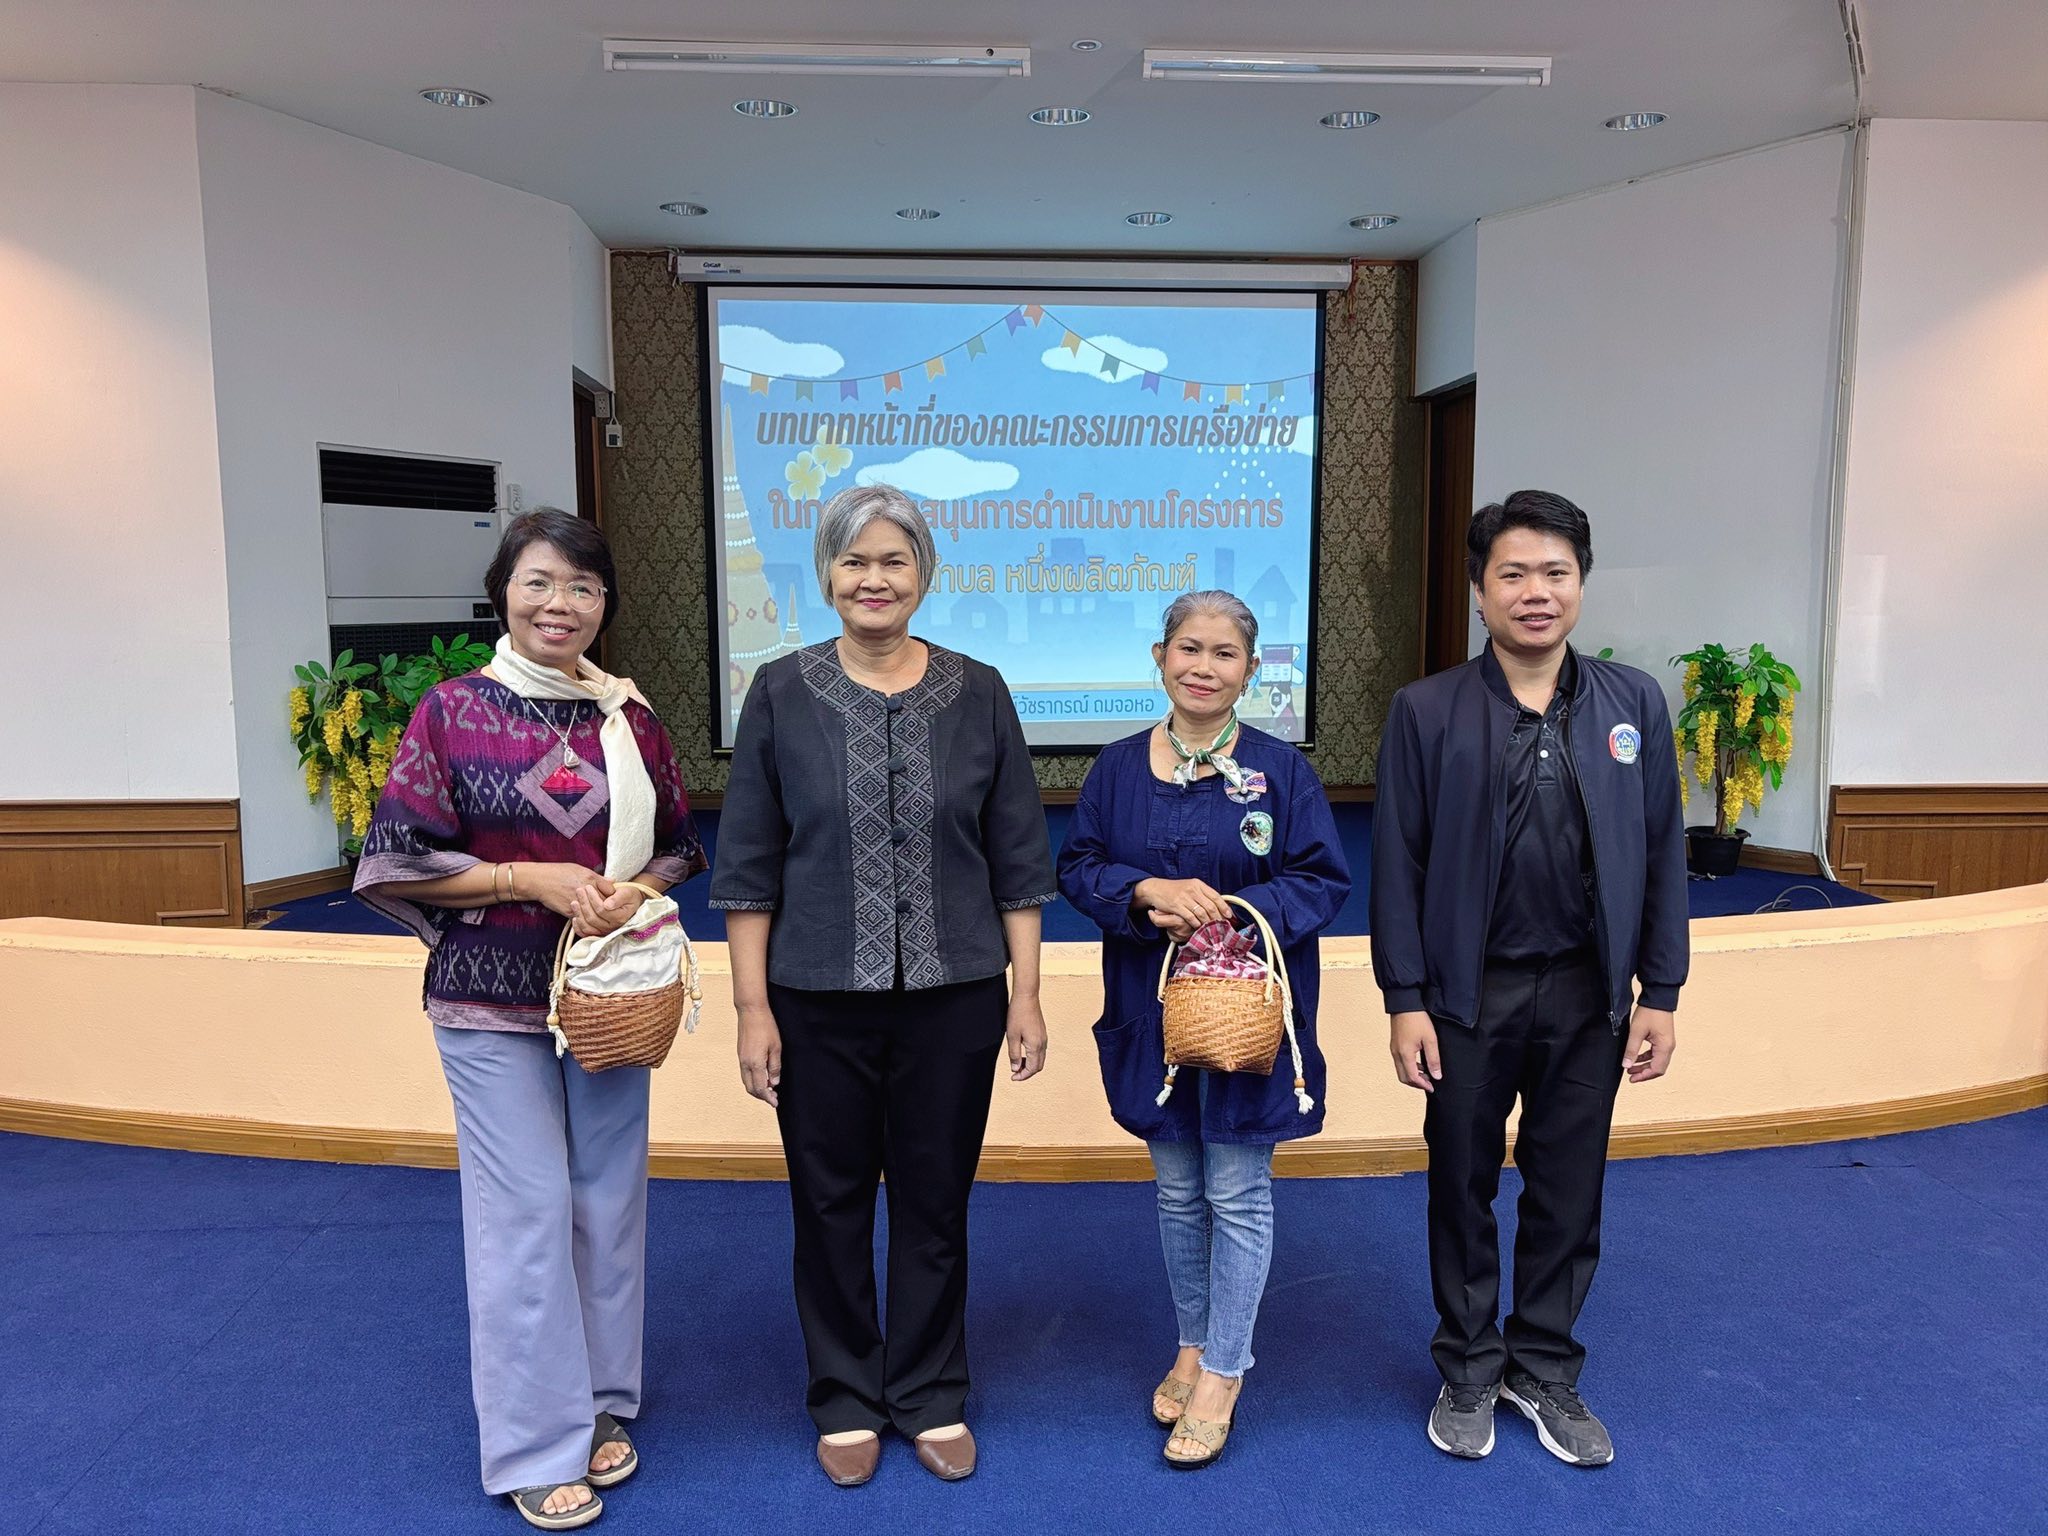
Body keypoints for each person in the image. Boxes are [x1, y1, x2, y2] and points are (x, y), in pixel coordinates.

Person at [355, 509, 707, 1530]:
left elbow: (683, 845)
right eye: (541, 583)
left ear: (605, 604)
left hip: (608, 996)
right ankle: (531, 1443)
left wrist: (627, 888)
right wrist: (531, 879)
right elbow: (397, 855)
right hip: (488, 1000)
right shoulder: (453, 712)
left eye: (584, 588)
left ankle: (600, 1404)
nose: (562, 605)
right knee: (523, 1218)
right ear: (503, 590)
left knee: (607, 1204)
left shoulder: (628, 715)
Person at [708, 482, 1055, 1488]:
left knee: (937, 1200)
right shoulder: (778, 689)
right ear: (824, 575)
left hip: (956, 993)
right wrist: (749, 1009)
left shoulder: (979, 690)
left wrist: (1024, 997)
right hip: (813, 994)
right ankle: (846, 1396)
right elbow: (746, 867)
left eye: (893, 561)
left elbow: (1019, 861)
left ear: (924, 575)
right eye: (853, 561)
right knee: (829, 1204)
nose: (873, 579)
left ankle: (930, 1391)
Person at [1370, 489, 1686, 1469]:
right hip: (1466, 998)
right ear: (1478, 593)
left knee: (1566, 1187)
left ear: (1579, 586)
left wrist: (1660, 991)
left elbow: (1665, 847)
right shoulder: (1425, 712)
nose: (1533, 592)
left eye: (1553, 572)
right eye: (1511, 573)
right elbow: (1397, 863)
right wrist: (1404, 999)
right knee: (1458, 1183)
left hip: (1587, 998)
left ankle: (1542, 1365)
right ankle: (1467, 1364)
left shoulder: (1631, 705)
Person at [1057, 591, 1349, 1469]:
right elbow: (1080, 866)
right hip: (1154, 1014)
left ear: (1251, 671)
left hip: (1249, 1019)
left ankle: (1224, 1369)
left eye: (1226, 654)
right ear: (1158, 656)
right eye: (1189, 648)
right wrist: (1146, 895)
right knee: (1179, 1191)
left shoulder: (1282, 773)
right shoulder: (1114, 768)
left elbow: (1323, 880)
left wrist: (1234, 909)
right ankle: (1191, 1341)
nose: (1204, 666)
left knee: (1237, 1191)